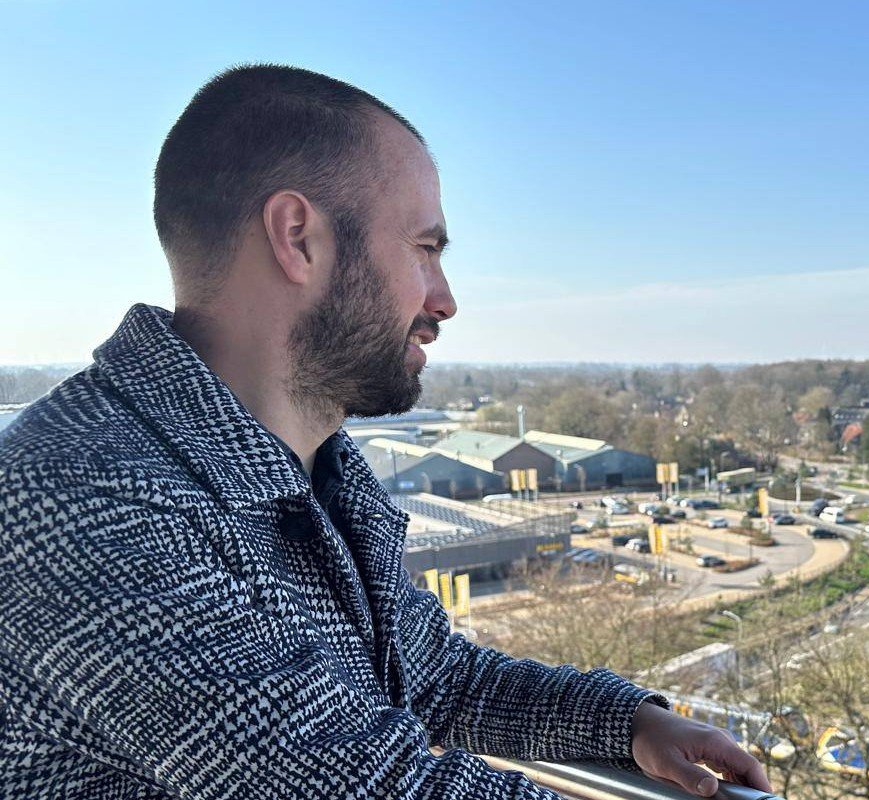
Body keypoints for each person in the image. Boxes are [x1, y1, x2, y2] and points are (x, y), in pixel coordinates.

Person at [0, 65, 771, 800]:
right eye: (425, 249)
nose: (445, 299)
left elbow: (428, 675)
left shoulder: (311, 467)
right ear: (298, 237)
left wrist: (627, 722)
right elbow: (372, 785)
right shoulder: (74, 496)